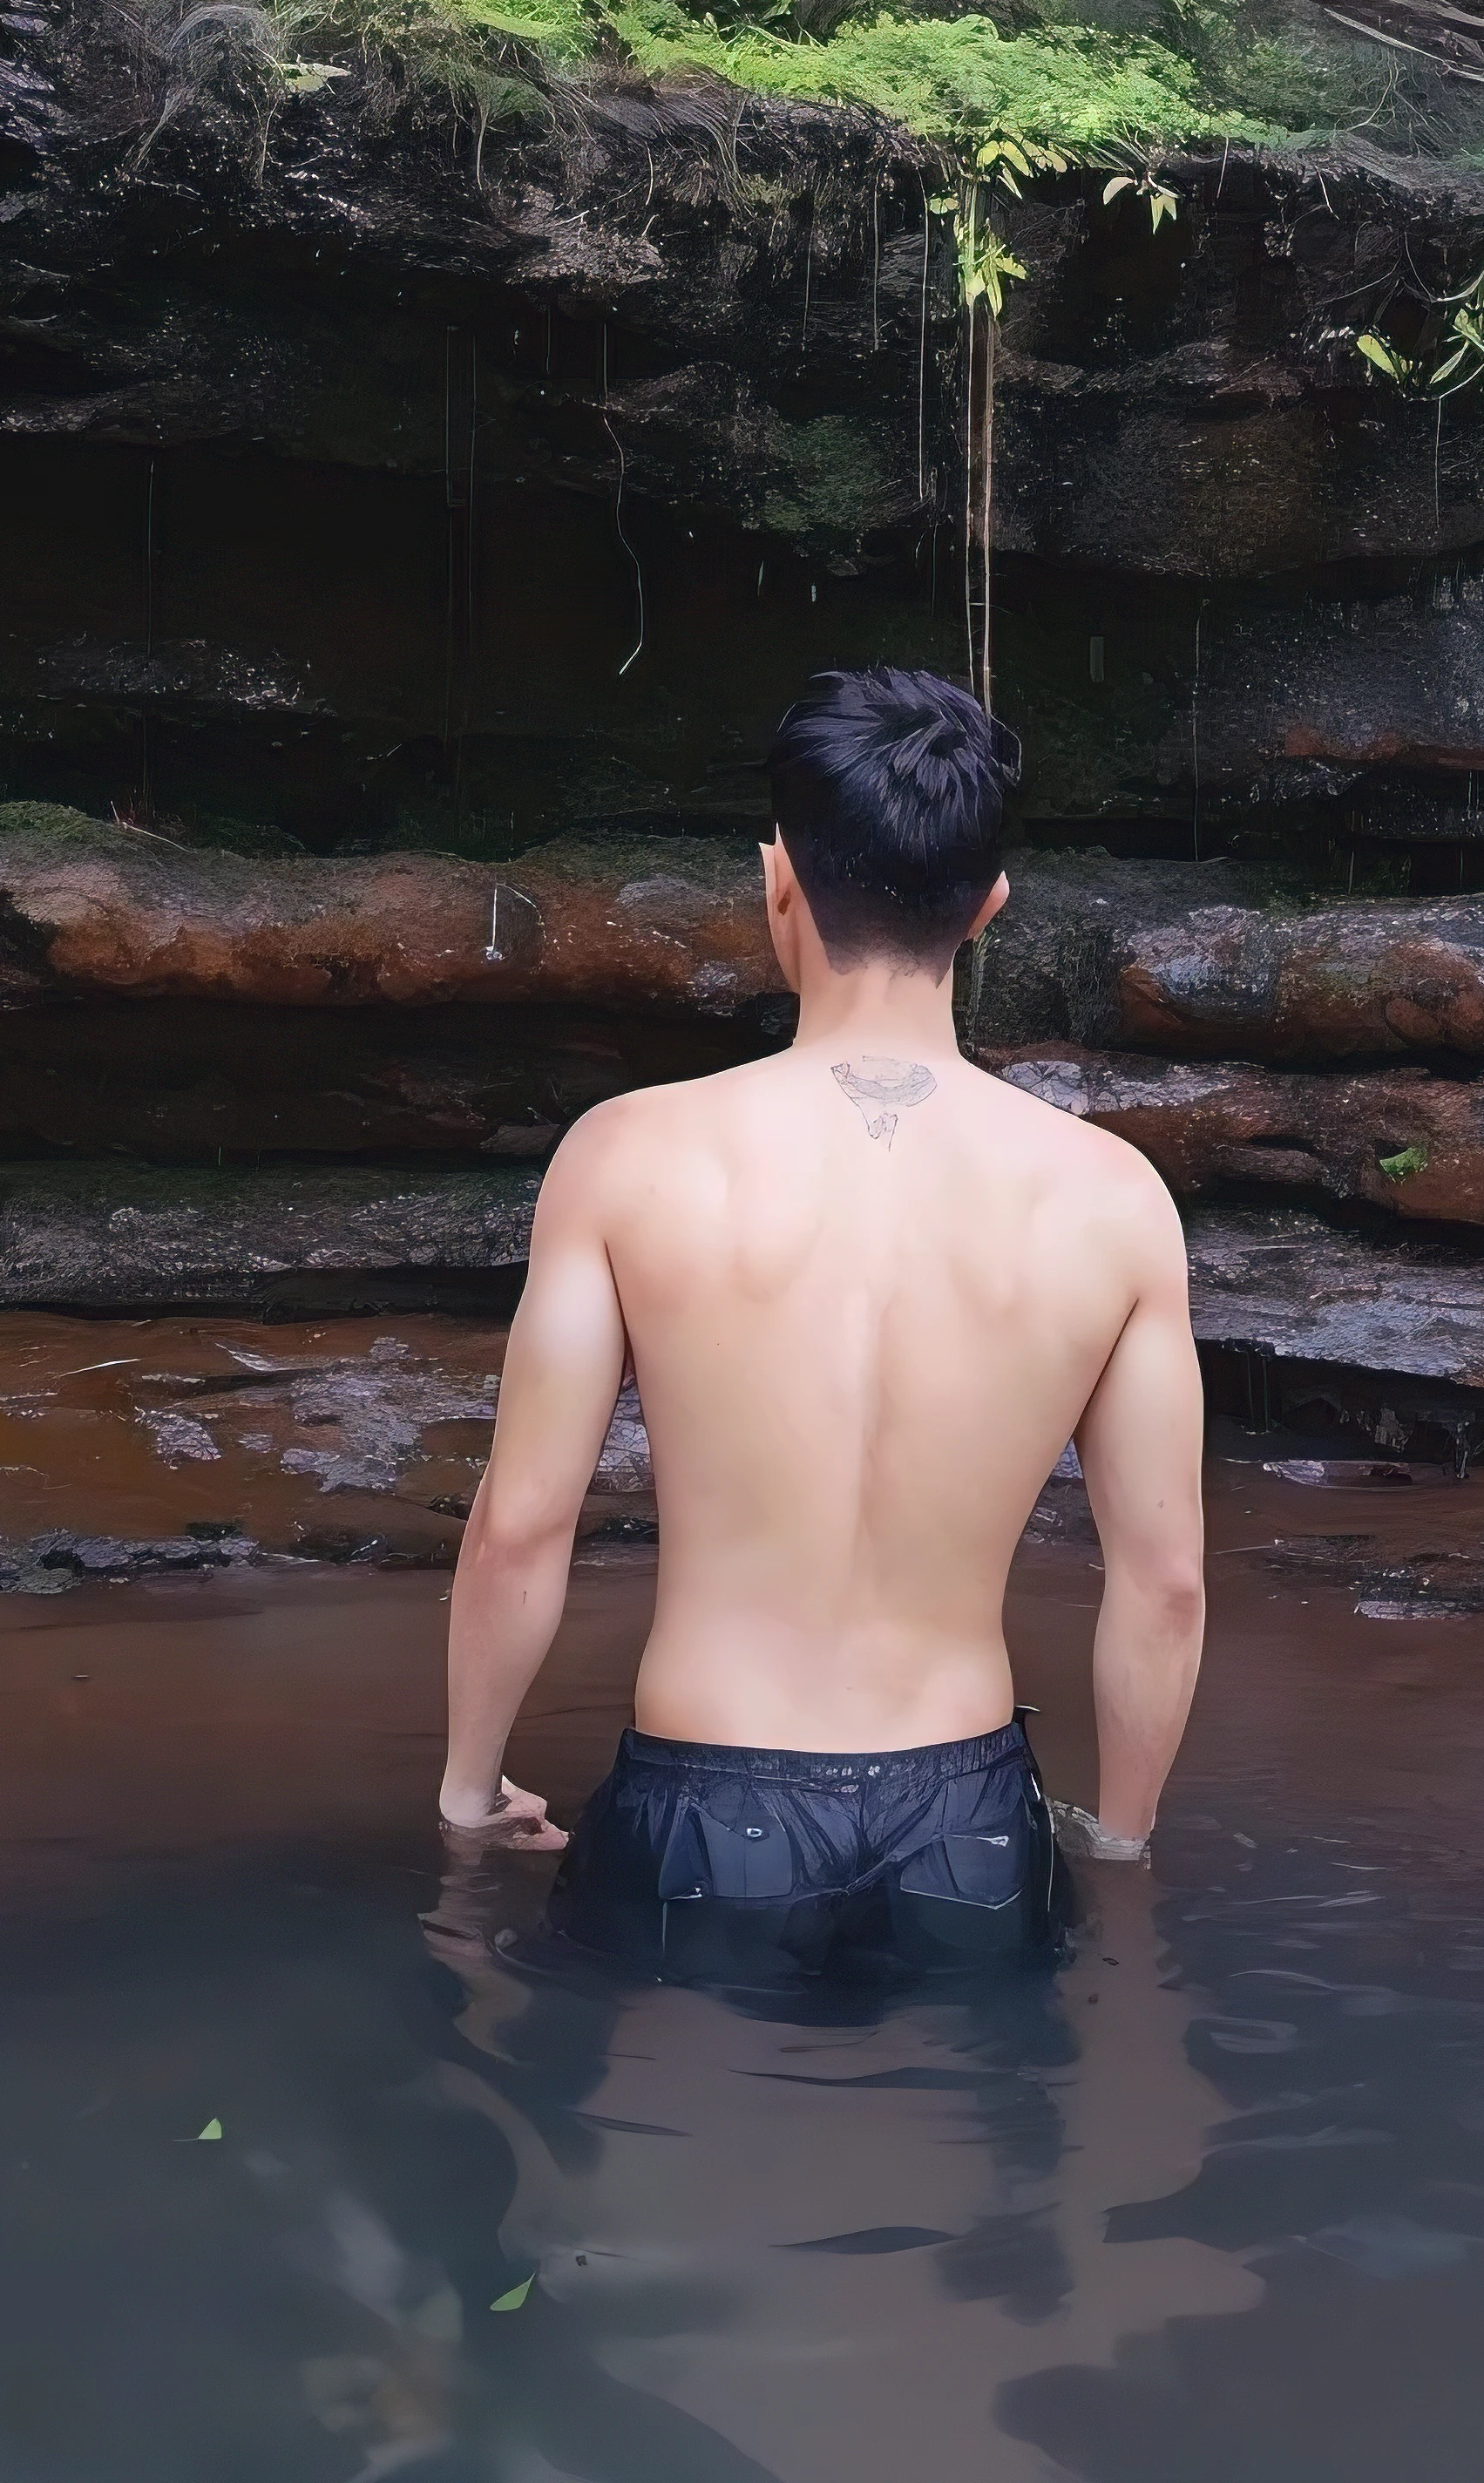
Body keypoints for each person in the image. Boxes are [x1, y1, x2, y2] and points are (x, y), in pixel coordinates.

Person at [437, 666, 1206, 1984]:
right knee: (964, 2184)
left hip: (702, 1810)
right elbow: (1166, 1580)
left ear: (776, 878)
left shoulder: (628, 1157)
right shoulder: (1112, 1198)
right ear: (990, 908)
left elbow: (523, 1521)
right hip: (969, 1822)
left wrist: (465, 1796)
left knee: (659, 2176)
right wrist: (1121, 1844)